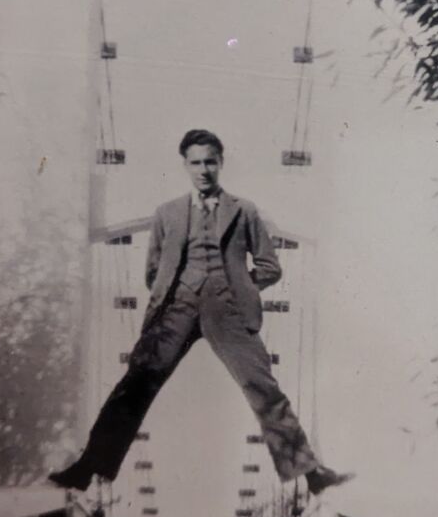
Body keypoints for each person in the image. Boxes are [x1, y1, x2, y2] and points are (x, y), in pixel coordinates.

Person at [50, 129, 352, 495]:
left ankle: (311, 473)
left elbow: (270, 267)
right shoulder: (167, 214)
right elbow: (153, 272)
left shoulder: (245, 211)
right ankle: (88, 467)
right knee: (136, 382)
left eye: (210, 161)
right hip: (176, 308)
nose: (204, 170)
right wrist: (176, 295)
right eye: (196, 162)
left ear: (221, 162)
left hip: (229, 311)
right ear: (185, 166)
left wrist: (240, 287)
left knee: (262, 386)